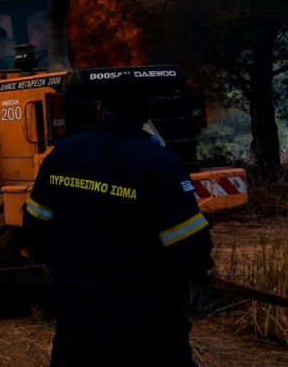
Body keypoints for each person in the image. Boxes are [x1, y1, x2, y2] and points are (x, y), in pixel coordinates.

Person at [23, 83, 213, 367]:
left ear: (100, 110)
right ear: (145, 116)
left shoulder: (63, 154)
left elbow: (35, 229)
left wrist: (60, 267)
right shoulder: (160, 164)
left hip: (77, 324)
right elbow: (191, 248)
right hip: (146, 328)